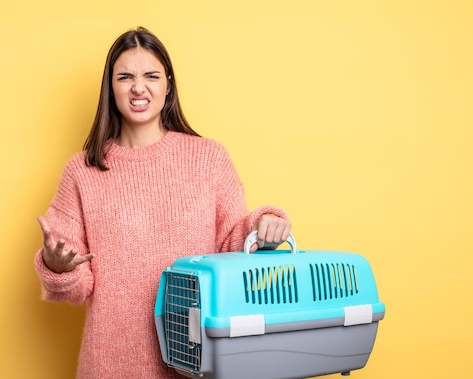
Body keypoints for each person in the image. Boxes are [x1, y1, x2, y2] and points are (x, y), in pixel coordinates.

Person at [34, 26, 292, 379]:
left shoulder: (208, 158)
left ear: (168, 84)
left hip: (197, 359)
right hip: (110, 363)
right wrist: (57, 265)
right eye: (125, 77)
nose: (139, 87)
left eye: (151, 75)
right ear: (111, 87)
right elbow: (77, 285)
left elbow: (232, 242)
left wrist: (262, 227)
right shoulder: (83, 170)